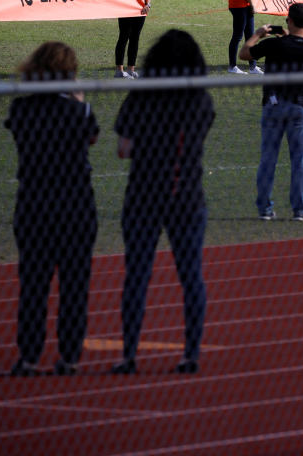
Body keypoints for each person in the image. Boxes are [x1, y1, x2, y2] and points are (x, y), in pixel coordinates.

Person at [112, 30, 215, 375]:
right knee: (191, 278)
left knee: (137, 277)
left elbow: (123, 149)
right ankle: (191, 353)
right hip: (186, 195)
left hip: (144, 195)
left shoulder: (141, 96)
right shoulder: (200, 100)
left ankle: (128, 355)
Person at [6, 42, 99, 376]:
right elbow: (91, 137)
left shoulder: (21, 109)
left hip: (34, 205)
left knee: (33, 285)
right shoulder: (79, 112)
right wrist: (78, 101)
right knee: (74, 286)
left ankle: (29, 357)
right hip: (76, 206)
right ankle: (70, 356)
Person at [240, 3, 303, 222]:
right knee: (299, 160)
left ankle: (265, 209)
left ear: (289, 20)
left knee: (268, 159)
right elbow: (295, 49)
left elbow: (244, 54)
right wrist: (288, 37)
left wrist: (257, 34)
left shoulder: (273, 46)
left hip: (273, 105)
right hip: (298, 106)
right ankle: (300, 209)